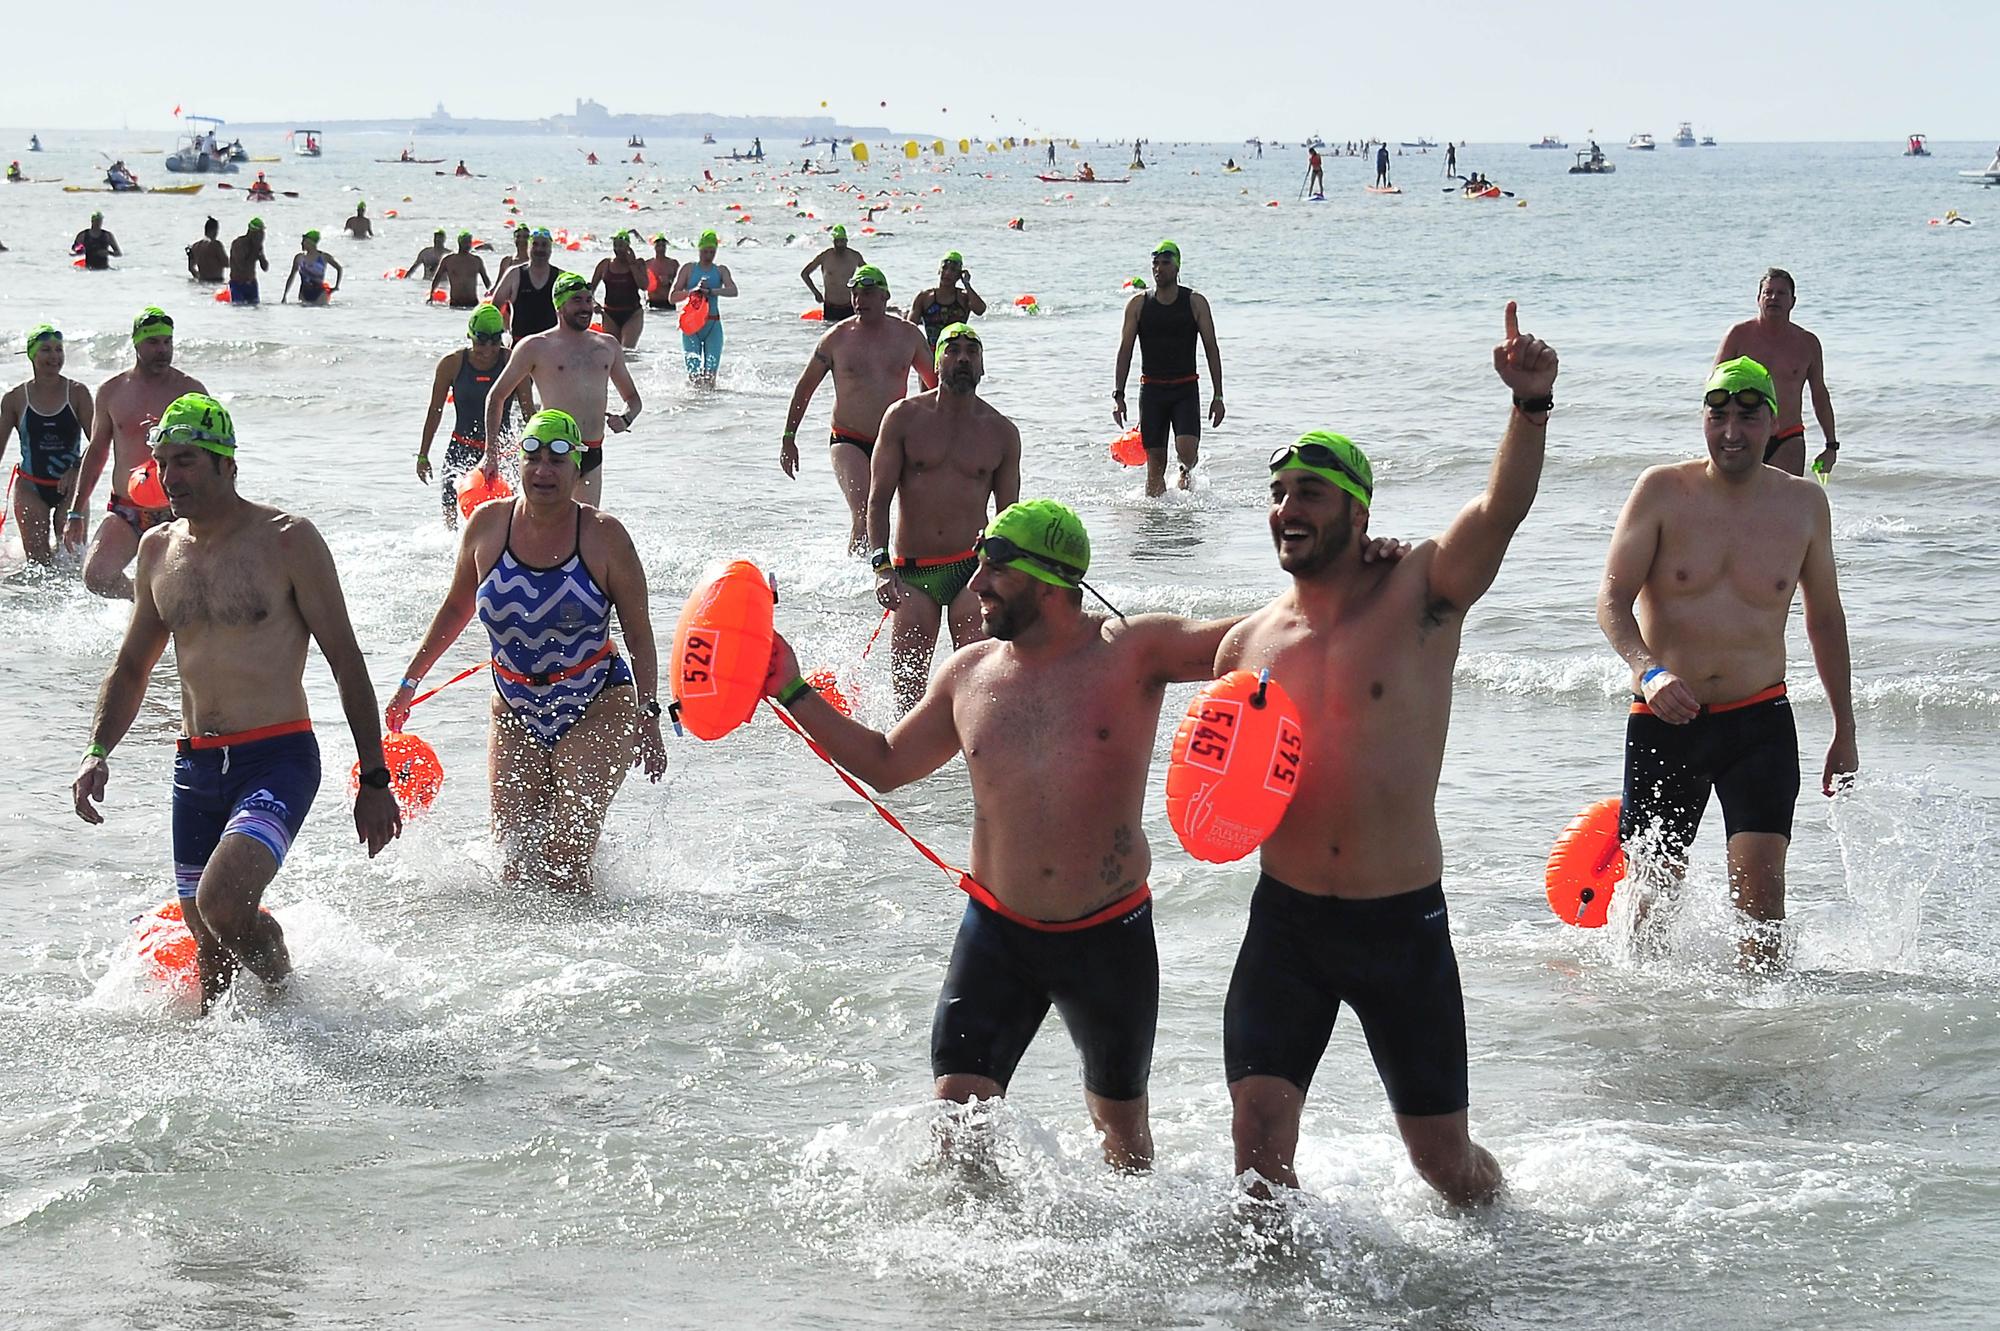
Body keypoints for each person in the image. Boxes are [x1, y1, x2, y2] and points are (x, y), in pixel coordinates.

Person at [760, 499, 1243, 1169]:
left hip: (1109, 936)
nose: (976, 581)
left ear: (1051, 579)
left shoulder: (1134, 650)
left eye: (996, 565)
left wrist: (1354, 580)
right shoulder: (969, 673)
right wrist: (790, 689)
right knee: (956, 1124)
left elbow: (1257, 639)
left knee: (1122, 1139)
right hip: (998, 932)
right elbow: (886, 763)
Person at [1215, 302, 1556, 1208]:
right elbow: (1210, 769)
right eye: (1279, 493)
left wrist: (1529, 407)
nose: (1288, 509)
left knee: (1445, 1166)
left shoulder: (1420, 593)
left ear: (1357, 510)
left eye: (1311, 494)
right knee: (1255, 1148)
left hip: (1400, 925)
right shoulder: (1246, 644)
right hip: (1285, 923)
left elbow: (1501, 511)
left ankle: (1515, 1245)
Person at [71, 393, 403, 1012]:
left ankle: (290, 1002)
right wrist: (97, 750)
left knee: (223, 902)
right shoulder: (157, 551)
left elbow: (347, 662)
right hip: (195, 766)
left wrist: (375, 777)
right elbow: (131, 667)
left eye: (187, 461)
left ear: (227, 465)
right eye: (162, 462)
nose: (170, 477)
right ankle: (216, 1047)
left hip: (276, 758)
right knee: (208, 936)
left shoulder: (288, 542)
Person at [1597, 356, 1856, 971]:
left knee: (1763, 902)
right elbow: (1611, 600)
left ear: (1774, 423)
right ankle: (1639, 1029)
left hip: (1759, 720)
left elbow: (1825, 619)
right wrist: (1646, 670)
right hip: (1666, 719)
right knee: (1650, 902)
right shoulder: (1661, 490)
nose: (1731, 431)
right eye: (1719, 416)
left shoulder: (1803, 507)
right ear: (1704, 420)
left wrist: (1844, 729)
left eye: (1747, 416)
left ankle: (1759, 1036)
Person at [386, 409, 665, 893]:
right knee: (513, 864)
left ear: (579, 469)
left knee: (566, 856)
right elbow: (456, 607)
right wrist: (409, 683)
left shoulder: (604, 536)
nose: (543, 471)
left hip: (597, 702)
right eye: (532, 457)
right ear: (518, 464)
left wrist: (649, 713)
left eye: (558, 459)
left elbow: (639, 632)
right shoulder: (488, 525)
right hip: (514, 707)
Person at [866, 324, 1020, 712]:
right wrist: (881, 567)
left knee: (977, 693)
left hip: (971, 571)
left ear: (983, 366)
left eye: (972, 351)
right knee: (908, 699)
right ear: (936, 362)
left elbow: (1009, 518)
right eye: (953, 350)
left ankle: (967, 772)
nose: (963, 358)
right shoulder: (902, 418)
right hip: (912, 573)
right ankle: (918, 774)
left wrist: (1010, 578)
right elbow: (877, 500)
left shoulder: (1001, 433)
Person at [780, 265, 938, 553]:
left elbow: (936, 385)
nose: (858, 300)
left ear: (884, 297)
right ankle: (859, 580)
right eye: (854, 294)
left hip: (893, 440)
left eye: (866, 293)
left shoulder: (908, 336)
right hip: (848, 439)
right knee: (864, 512)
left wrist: (938, 427)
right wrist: (789, 437)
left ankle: (899, 573)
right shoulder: (836, 338)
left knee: (909, 512)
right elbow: (804, 388)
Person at [72, 309, 207, 598]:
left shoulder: (190, 392)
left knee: (187, 589)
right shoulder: (112, 391)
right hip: (126, 510)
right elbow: (96, 452)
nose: (163, 350)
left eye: (167, 343)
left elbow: (213, 454)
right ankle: (143, 601)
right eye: (154, 343)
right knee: (96, 575)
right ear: (136, 344)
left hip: (178, 510)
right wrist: (75, 512)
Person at [480, 272, 640, 508]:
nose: (585, 307)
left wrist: (626, 419)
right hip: (550, 452)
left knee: (584, 526)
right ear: (559, 305)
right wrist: (490, 453)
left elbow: (633, 399)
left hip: (592, 450)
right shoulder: (535, 346)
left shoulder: (608, 346)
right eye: (577, 301)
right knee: (542, 527)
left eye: (588, 300)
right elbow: (497, 395)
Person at [1112, 240, 1225, 497]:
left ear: (1177, 268)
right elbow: (1124, 351)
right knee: (1155, 466)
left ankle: (1185, 473)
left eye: (1165, 263)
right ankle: (1156, 529)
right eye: (1155, 263)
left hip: (1185, 389)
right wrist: (1119, 396)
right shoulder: (1138, 305)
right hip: (1151, 392)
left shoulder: (1195, 302)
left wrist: (1218, 396)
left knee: (1187, 451)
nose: (1158, 269)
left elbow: (1211, 348)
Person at [1712, 269, 1840, 476]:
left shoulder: (1807, 343)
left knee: (1783, 504)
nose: (1773, 298)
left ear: (1792, 301)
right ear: (1758, 298)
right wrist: (1717, 430)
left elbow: (1819, 395)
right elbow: (1715, 385)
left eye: (1781, 293)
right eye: (1768, 292)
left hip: (1788, 436)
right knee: (1737, 504)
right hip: (1743, 435)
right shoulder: (1738, 335)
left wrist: (1831, 445)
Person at [418, 305, 533, 528]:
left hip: (503, 453)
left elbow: (529, 414)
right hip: (461, 449)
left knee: (509, 518)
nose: (488, 349)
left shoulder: (513, 362)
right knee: (451, 521)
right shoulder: (451, 364)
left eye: (495, 341)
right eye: (481, 342)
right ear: (470, 336)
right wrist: (423, 455)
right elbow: (435, 411)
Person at [0, 325, 94, 564]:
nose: (54, 356)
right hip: (31, 488)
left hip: (72, 491)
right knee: (39, 566)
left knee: (72, 563)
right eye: (46, 350)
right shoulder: (14, 398)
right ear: (32, 354)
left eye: (59, 350)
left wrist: (76, 468)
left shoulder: (77, 393)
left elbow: (100, 443)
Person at [667, 229, 737, 385]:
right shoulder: (688, 269)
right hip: (691, 327)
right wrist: (693, 291)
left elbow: (734, 291)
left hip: (713, 325)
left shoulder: (720, 270)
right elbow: (672, 297)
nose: (709, 255)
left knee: (710, 377)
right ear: (699, 249)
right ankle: (695, 406)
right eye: (705, 251)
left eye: (712, 251)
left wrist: (711, 291)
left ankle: (711, 408)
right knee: (694, 377)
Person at [490, 228, 565, 345]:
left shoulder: (561, 277)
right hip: (520, 344)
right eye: (535, 244)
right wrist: (497, 341)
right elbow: (494, 308)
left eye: (544, 245)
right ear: (529, 247)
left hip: (551, 347)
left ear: (551, 248)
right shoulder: (514, 274)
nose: (539, 249)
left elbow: (575, 310)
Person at [907, 251, 988, 348]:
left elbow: (980, 310)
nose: (947, 273)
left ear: (959, 275)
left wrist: (967, 284)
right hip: (931, 351)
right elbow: (910, 328)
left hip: (956, 352)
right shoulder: (924, 297)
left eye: (953, 270)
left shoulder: (964, 297)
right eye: (944, 268)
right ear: (939, 271)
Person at [589, 230, 650, 349]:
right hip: (610, 314)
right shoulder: (605, 264)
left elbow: (644, 286)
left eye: (621, 245)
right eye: (615, 245)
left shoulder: (638, 263)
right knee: (611, 349)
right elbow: (590, 290)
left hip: (633, 313)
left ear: (628, 246)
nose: (618, 249)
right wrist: (594, 304)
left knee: (627, 350)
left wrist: (632, 264)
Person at [799, 225, 865, 323]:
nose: (840, 244)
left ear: (846, 241)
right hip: (830, 307)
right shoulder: (825, 256)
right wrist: (816, 293)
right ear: (833, 242)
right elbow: (805, 274)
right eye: (837, 241)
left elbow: (868, 274)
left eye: (842, 241)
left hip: (850, 306)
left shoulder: (855, 256)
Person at [431, 231, 492, 309]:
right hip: (455, 304)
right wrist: (431, 295)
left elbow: (486, 280)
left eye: (469, 242)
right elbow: (437, 278)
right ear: (459, 243)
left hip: (472, 304)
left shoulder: (476, 260)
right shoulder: (448, 260)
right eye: (465, 242)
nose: (468, 244)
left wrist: (491, 296)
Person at [281, 231, 341, 305]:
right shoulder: (299, 258)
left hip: (320, 293)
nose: (301, 243)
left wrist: (336, 286)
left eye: (304, 241)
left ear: (311, 243)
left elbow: (339, 268)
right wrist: (285, 295)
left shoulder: (324, 257)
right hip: (303, 293)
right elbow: (292, 276)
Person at [227, 217, 268, 305]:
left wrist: (260, 253)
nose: (262, 236)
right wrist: (255, 250)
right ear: (252, 233)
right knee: (240, 308)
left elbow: (265, 267)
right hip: (237, 284)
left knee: (254, 309)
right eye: (259, 233)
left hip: (252, 284)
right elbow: (242, 267)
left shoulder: (257, 246)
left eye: (262, 233)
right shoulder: (239, 244)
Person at [644, 234, 679, 315]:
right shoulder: (647, 264)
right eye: (658, 246)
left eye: (663, 246)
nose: (661, 248)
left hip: (669, 303)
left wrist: (669, 281)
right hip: (652, 304)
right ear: (654, 247)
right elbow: (641, 284)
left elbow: (681, 284)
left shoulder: (673, 264)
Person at [185, 217, 227, 283]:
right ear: (215, 230)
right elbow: (226, 263)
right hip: (216, 282)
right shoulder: (216, 244)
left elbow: (191, 268)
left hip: (202, 282)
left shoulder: (195, 246)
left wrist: (199, 277)